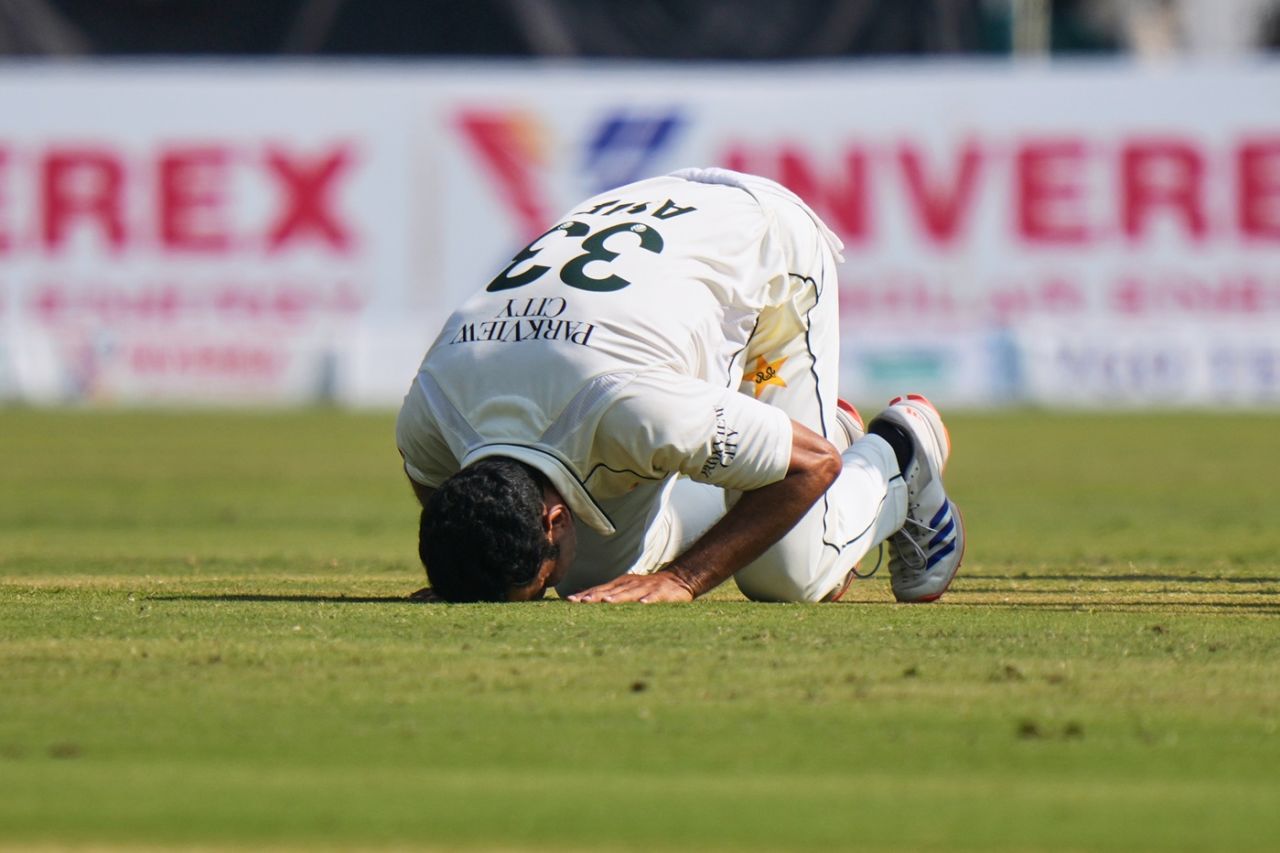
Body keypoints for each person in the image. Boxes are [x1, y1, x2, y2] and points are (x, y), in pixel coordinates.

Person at [395, 167, 964, 604]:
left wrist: (683, 579)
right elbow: (447, 500)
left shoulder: (635, 408)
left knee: (788, 572)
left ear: (554, 520)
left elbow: (812, 465)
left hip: (767, 250)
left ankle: (898, 452)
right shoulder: (430, 415)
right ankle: (779, 435)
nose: (547, 592)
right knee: (593, 578)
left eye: (537, 585)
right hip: (646, 215)